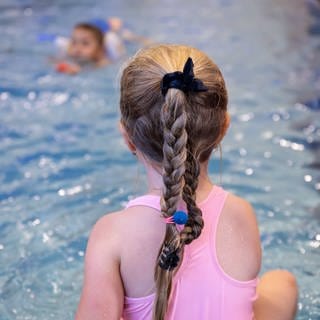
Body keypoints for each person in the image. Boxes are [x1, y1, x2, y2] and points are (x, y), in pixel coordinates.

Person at [75, 44, 298, 319]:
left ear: (127, 138)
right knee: (282, 283)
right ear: (223, 128)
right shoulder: (242, 213)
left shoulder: (111, 234)